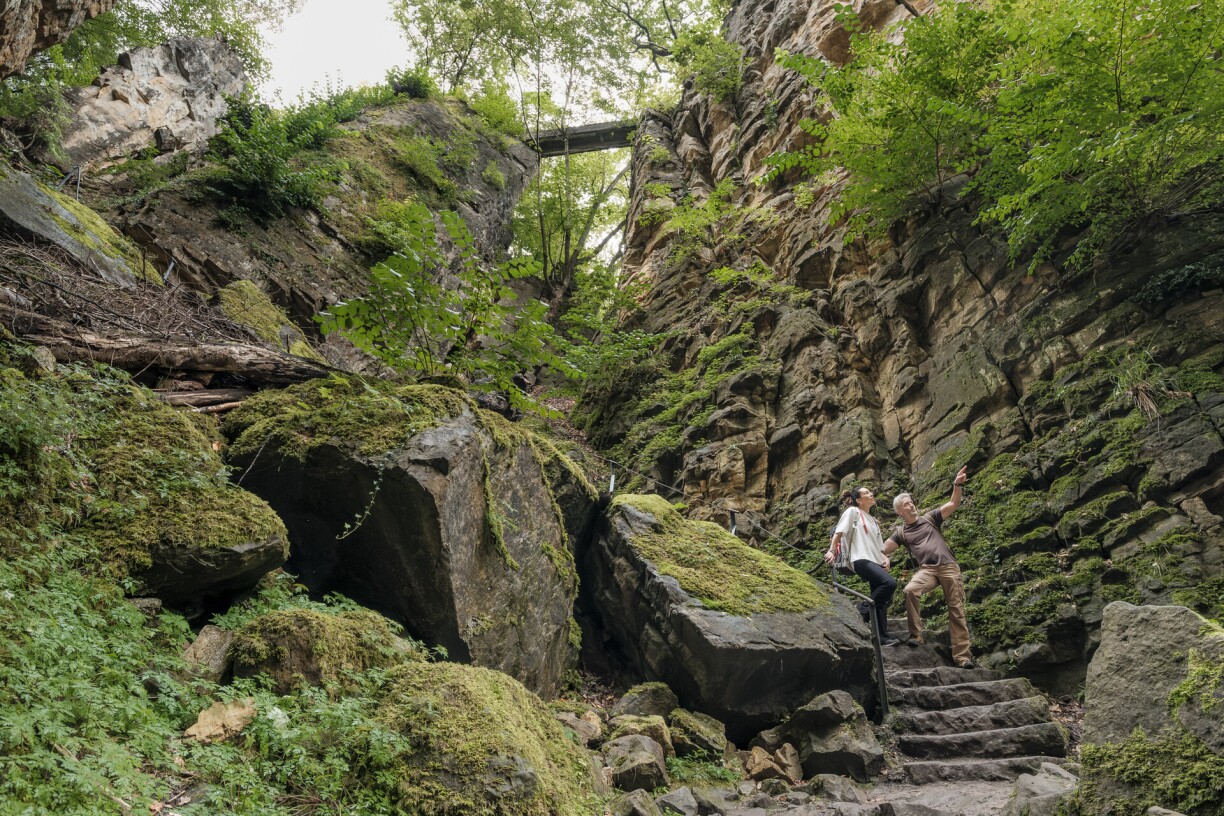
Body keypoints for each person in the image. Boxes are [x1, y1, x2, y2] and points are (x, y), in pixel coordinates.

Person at [883, 465, 976, 669]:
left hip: (949, 567)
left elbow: (953, 503)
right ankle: (916, 636)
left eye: (911, 502)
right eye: (906, 504)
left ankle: (963, 657)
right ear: (900, 512)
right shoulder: (901, 533)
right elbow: (883, 549)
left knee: (956, 609)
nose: (911, 505)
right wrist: (884, 558)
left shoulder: (930, 518)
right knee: (910, 590)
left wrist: (957, 484)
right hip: (927, 570)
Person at [823, 486, 900, 646]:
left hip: (875, 560)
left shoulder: (873, 520)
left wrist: (885, 557)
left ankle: (882, 637)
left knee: (880, 601)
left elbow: (879, 546)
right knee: (889, 583)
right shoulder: (852, 512)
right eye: (866, 493)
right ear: (858, 500)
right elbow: (839, 532)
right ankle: (862, 610)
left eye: (870, 492)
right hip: (859, 558)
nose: (871, 494)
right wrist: (831, 551)